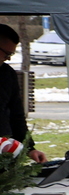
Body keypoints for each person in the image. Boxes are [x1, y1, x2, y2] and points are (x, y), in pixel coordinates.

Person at [1, 24, 48, 162]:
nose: (8, 59)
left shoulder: (7, 74)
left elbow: (16, 116)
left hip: (6, 153)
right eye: (6, 54)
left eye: (11, 54)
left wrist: (30, 148)